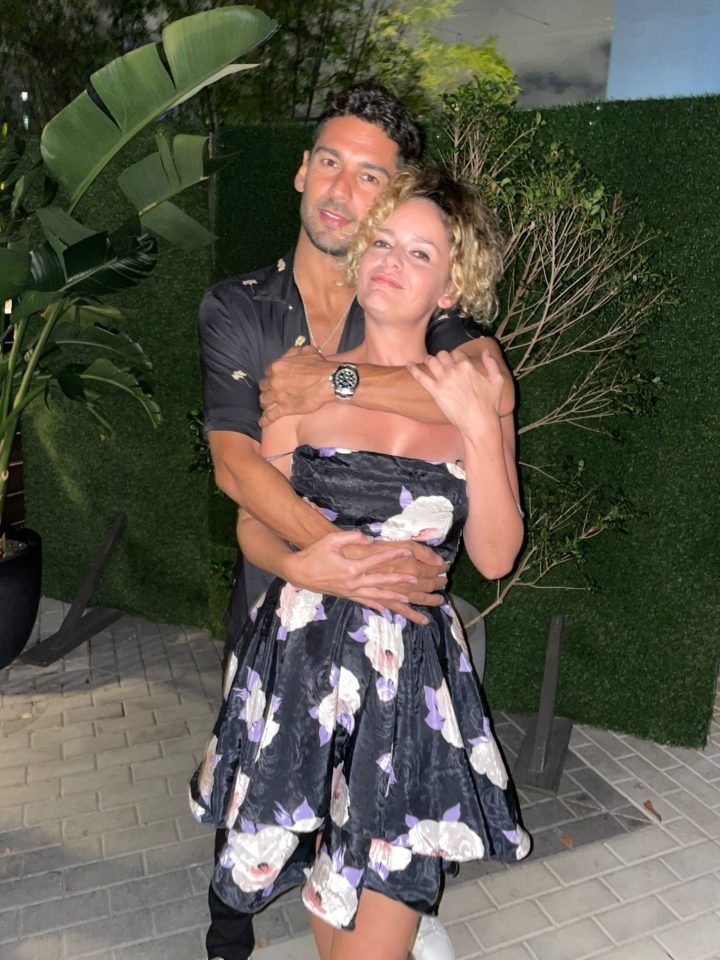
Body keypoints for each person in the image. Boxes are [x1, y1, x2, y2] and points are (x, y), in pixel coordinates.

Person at [198, 81, 515, 960]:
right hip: (299, 673)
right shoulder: (286, 366)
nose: (392, 261)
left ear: (451, 284)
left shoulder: (466, 384)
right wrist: (313, 561)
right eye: (385, 244)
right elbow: (249, 511)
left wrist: (481, 431)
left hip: (405, 694)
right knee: (327, 923)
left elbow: (495, 554)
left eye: (421, 253)